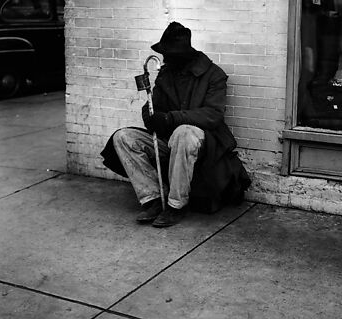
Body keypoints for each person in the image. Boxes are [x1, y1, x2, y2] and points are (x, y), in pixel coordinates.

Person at [101, 21, 251, 227]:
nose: (164, 58)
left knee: (183, 132)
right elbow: (154, 104)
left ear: (181, 55)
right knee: (123, 137)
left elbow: (213, 115)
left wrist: (171, 118)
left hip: (203, 143)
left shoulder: (214, 75)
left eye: (168, 54)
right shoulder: (167, 73)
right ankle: (153, 198)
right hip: (169, 140)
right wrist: (151, 115)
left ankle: (175, 205)